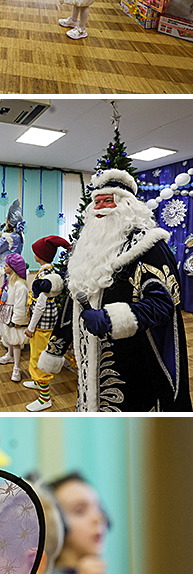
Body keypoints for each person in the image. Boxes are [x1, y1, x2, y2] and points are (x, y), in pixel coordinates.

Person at [66, 168, 192, 412]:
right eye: (97, 201)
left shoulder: (148, 246)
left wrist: (111, 318)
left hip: (134, 362)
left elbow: (165, 302)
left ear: (126, 205)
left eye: (108, 200)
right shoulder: (87, 247)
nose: (100, 208)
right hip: (87, 363)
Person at [24, 236, 71, 413]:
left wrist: (30, 327)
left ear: (39, 255)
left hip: (42, 324)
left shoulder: (44, 277)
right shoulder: (50, 271)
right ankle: (38, 382)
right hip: (48, 321)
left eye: (35, 252)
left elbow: (40, 305)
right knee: (38, 353)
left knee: (39, 356)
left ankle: (45, 398)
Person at [0, 252, 29, 380]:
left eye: (6, 265)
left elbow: (20, 305)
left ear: (13, 268)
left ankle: (17, 367)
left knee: (15, 340)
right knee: (8, 335)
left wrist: (17, 320)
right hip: (7, 313)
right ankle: (9, 355)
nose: (4, 267)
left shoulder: (20, 286)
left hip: (13, 316)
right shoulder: (9, 281)